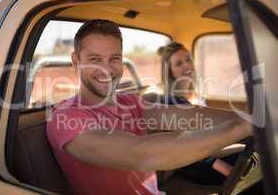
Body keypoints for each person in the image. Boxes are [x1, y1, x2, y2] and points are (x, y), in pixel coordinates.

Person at [47, 19, 252, 195]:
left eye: (114, 59)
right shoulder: (66, 118)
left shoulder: (128, 101)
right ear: (75, 61)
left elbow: (189, 115)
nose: (106, 69)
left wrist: (249, 117)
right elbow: (141, 154)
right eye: (95, 59)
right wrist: (241, 127)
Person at [158, 42, 243, 186]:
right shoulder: (171, 103)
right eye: (179, 63)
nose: (187, 66)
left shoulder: (194, 96)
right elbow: (186, 148)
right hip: (199, 165)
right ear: (170, 71)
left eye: (188, 59)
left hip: (211, 149)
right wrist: (226, 170)